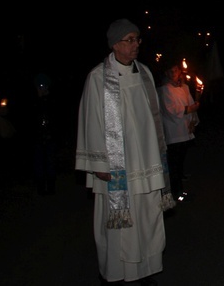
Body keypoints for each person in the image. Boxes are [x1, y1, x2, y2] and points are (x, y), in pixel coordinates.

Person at [75, 18, 174, 285]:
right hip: (118, 167)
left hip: (146, 162)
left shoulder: (144, 73)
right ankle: (116, 272)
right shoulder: (98, 78)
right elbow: (91, 120)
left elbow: (152, 119)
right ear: (115, 44)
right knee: (121, 224)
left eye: (137, 39)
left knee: (147, 217)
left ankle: (145, 269)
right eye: (130, 40)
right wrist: (100, 163)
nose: (136, 45)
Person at [158, 58, 200, 203]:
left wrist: (193, 120)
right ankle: (177, 193)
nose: (174, 73)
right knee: (174, 164)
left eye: (176, 70)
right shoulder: (164, 90)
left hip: (185, 131)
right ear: (166, 73)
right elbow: (171, 111)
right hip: (174, 133)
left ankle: (180, 191)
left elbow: (190, 104)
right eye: (171, 71)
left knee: (180, 163)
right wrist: (189, 109)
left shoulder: (185, 88)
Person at [30, 72, 59, 196]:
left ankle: (51, 187)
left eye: (45, 86)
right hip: (37, 137)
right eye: (40, 86)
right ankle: (41, 187)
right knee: (39, 163)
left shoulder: (52, 100)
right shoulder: (33, 100)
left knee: (50, 162)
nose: (43, 88)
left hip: (51, 136)